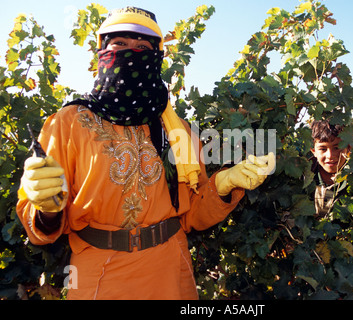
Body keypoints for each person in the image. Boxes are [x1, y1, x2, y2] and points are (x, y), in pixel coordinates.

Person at [16, 7, 275, 300]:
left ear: (156, 58)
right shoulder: (67, 123)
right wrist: (47, 210)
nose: (131, 53)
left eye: (142, 47)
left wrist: (223, 185)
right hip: (99, 275)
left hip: (171, 272)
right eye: (120, 44)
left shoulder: (179, 130)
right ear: (103, 51)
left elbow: (192, 217)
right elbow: (40, 229)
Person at [310, 120, 350, 217]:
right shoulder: (304, 177)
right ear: (313, 151)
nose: (330, 156)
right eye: (323, 149)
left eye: (337, 148)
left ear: (348, 148)